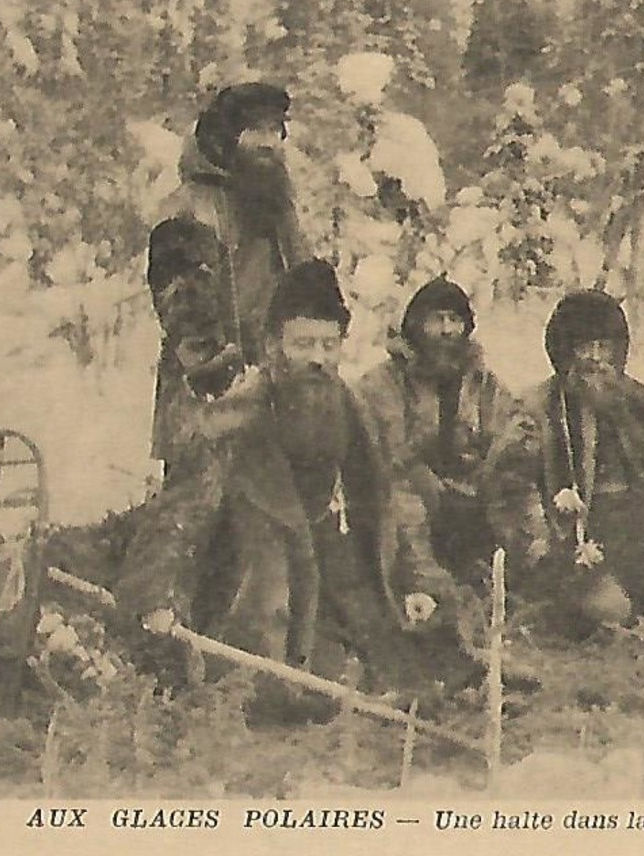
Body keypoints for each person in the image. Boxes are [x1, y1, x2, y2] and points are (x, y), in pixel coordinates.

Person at [114, 260, 477, 715]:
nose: (318, 359)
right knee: (271, 675)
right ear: (273, 348)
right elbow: (180, 513)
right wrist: (155, 598)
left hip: (329, 562)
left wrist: (413, 583)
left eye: (329, 345)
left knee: (400, 655)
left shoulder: (350, 407)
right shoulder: (234, 417)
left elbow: (387, 504)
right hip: (250, 566)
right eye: (303, 344)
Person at [148, 82, 306, 477]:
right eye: (255, 130)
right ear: (224, 137)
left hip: (276, 409)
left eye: (275, 131)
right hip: (210, 412)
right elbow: (186, 318)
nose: (269, 143)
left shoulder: (275, 207)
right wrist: (235, 384)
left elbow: (305, 291)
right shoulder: (190, 210)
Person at [355, 278, 546, 583]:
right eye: (436, 319)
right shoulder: (383, 383)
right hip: (409, 500)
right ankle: (426, 587)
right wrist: (432, 484)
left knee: (515, 496)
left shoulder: (482, 384)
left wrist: (495, 467)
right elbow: (385, 456)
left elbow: (512, 433)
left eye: (454, 320)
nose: (446, 330)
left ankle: (530, 572)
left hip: (471, 504)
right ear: (415, 326)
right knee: (405, 507)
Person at [525, 290, 644, 637]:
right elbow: (514, 496)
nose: (596, 359)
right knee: (610, 610)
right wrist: (547, 554)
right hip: (576, 545)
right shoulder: (535, 411)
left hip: (640, 535)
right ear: (564, 351)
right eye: (585, 347)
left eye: (604, 347)